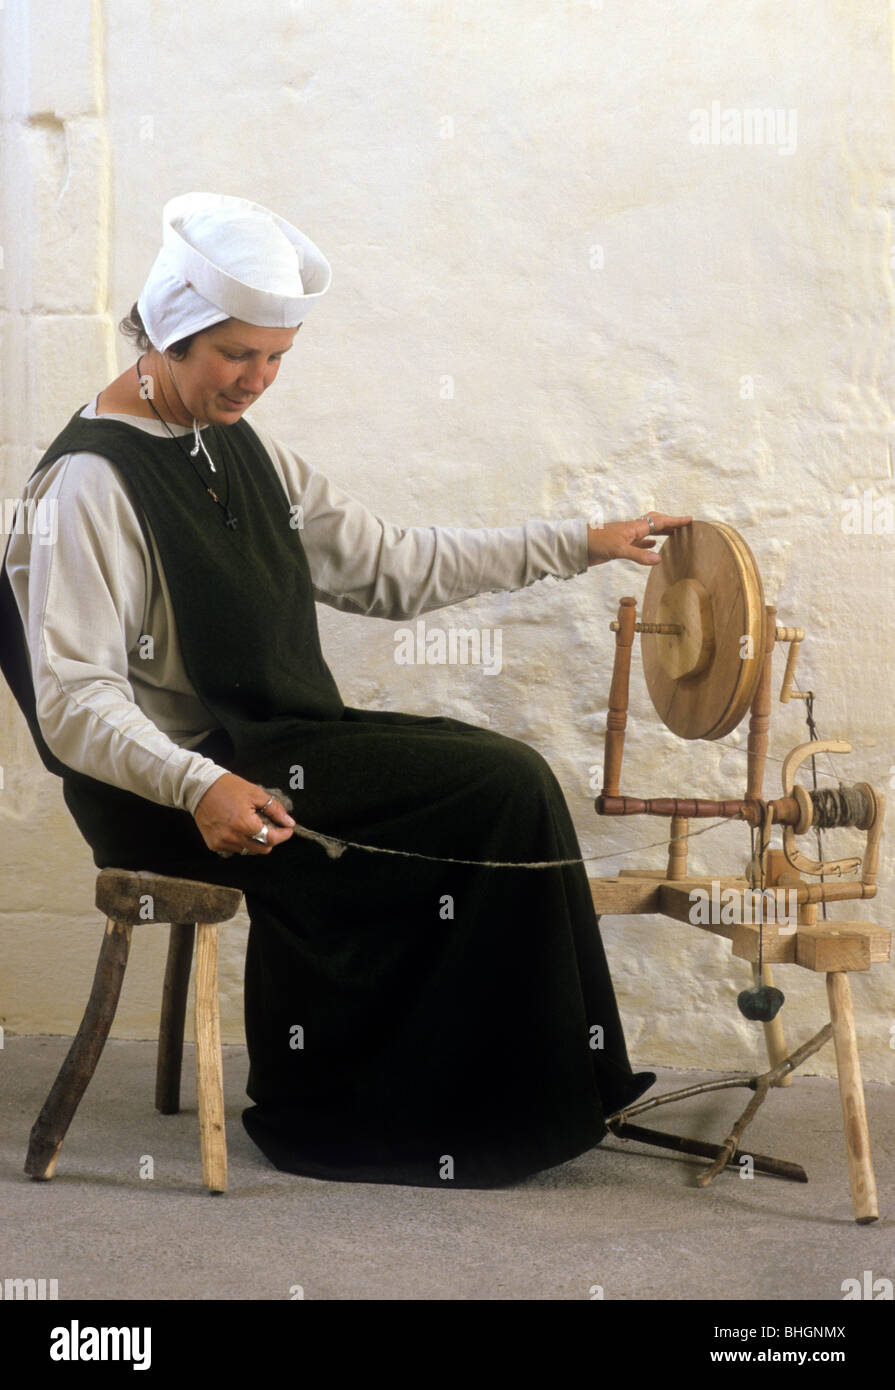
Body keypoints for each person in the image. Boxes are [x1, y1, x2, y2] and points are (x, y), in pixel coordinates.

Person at [1, 192, 691, 1188]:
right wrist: (197, 786)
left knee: (501, 776)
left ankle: (537, 1087)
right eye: (239, 354)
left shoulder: (232, 443)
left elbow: (389, 565)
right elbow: (71, 702)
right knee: (500, 785)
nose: (260, 379)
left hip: (270, 745)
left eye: (277, 356)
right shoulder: (87, 486)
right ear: (169, 333)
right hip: (170, 797)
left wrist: (575, 544)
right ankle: (354, 1111)